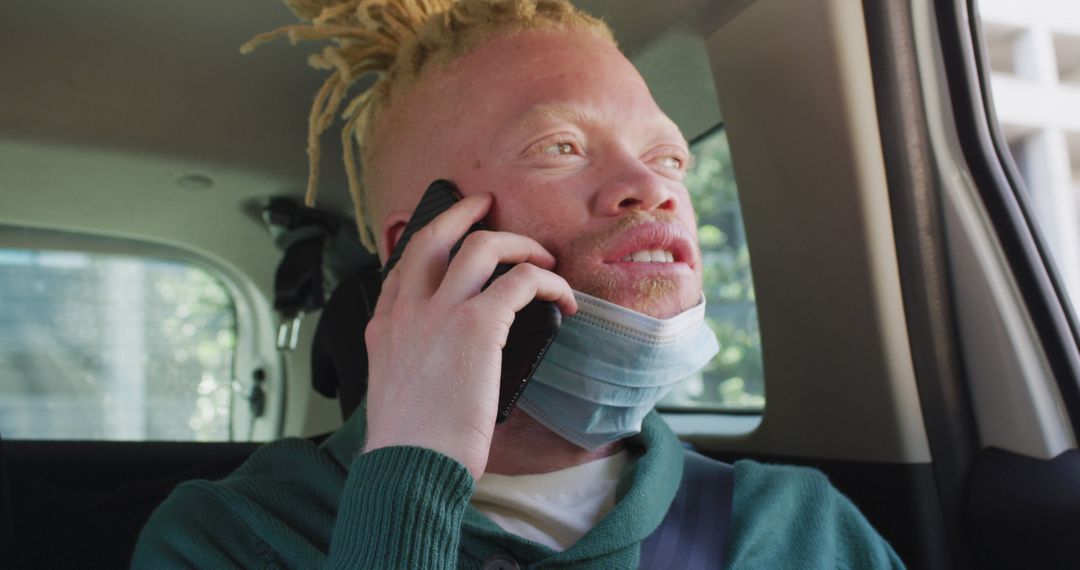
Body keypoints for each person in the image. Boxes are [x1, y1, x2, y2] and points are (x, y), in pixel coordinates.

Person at [133, 0, 905, 567]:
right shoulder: (229, 537)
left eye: (669, 157)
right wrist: (409, 484)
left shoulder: (804, 530)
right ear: (423, 246)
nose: (651, 185)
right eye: (560, 146)